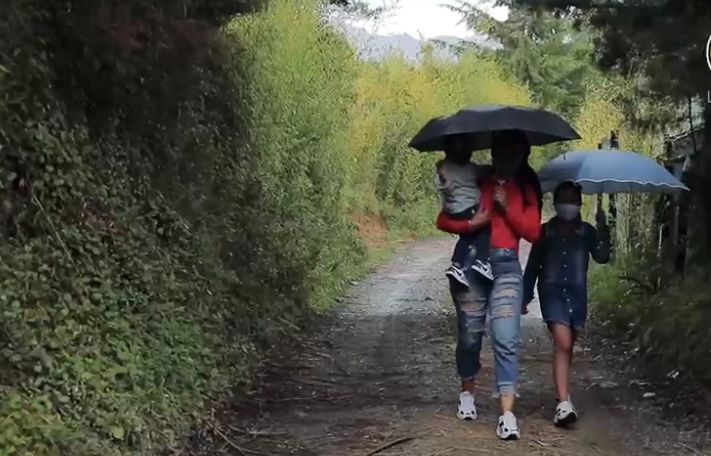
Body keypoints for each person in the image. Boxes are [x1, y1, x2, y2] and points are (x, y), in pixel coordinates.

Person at [436, 130, 541, 440]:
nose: (506, 157)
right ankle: (467, 392)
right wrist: (470, 225)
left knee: (506, 338)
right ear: (493, 152)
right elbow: (443, 218)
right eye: (501, 151)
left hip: (507, 267)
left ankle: (507, 413)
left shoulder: (526, 186)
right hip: (471, 265)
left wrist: (508, 206)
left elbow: (534, 232)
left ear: (523, 155)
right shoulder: (477, 179)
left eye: (514, 152)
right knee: (469, 335)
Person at [522, 181, 610, 427]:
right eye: (564, 199)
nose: (568, 205)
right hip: (551, 292)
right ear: (556, 202)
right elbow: (532, 267)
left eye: (573, 200)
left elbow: (602, 258)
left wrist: (606, 230)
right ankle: (563, 403)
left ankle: (563, 395)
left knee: (568, 346)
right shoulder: (545, 232)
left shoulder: (587, 232)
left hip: (577, 294)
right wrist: (524, 295)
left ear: (579, 203)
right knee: (563, 341)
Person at [435, 134, 494, 285]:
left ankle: (457, 265)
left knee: (466, 237)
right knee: (485, 228)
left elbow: (441, 185)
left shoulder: (445, 169)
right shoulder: (470, 169)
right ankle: (482, 261)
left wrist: (441, 171)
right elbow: (486, 171)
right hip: (470, 207)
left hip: (454, 211)